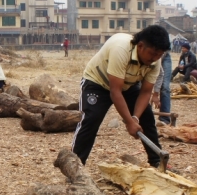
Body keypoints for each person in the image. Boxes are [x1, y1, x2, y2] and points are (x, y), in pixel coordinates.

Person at [72, 25, 169, 168]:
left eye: (159, 55)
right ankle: (76, 166)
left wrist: (135, 117)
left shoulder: (155, 60)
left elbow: (145, 92)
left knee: (146, 117)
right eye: (152, 54)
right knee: (91, 119)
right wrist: (129, 122)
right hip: (98, 82)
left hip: (127, 84)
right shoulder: (121, 49)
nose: (154, 59)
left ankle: (156, 161)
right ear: (140, 46)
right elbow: (115, 91)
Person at [152, 49, 172, 125]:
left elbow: (160, 74)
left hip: (165, 55)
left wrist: (155, 94)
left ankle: (164, 118)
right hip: (152, 53)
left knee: (165, 87)